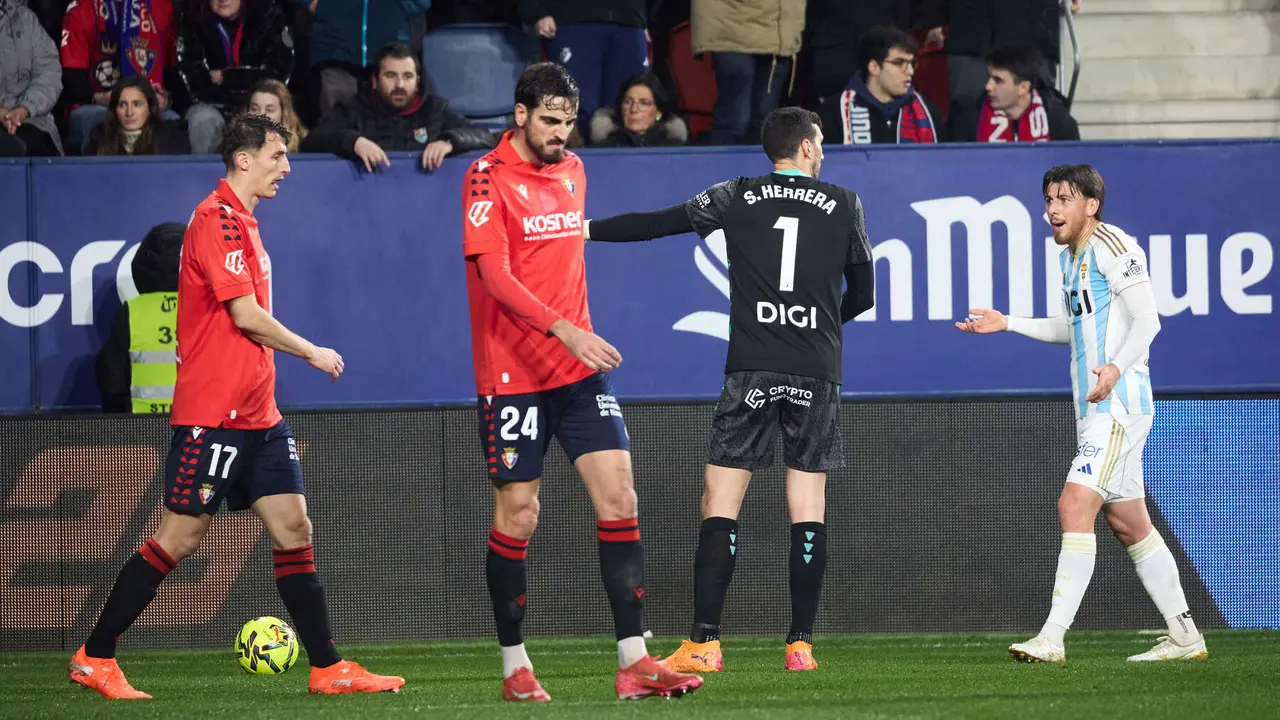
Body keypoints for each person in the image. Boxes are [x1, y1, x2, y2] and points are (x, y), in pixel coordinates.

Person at [68, 113, 406, 700]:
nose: (286, 167)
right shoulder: (215, 220)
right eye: (278, 156)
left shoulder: (244, 222)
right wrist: (313, 352)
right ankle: (95, 656)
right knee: (179, 539)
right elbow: (245, 317)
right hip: (214, 413)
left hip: (259, 415)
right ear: (244, 158)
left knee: (295, 527)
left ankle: (327, 667)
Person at [584, 107, 875, 671]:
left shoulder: (736, 194)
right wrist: (819, 329)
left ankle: (706, 643)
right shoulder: (844, 202)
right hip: (816, 368)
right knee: (808, 505)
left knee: (720, 502)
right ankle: (800, 645)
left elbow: (657, 223)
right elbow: (863, 292)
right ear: (809, 149)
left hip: (751, 367)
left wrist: (586, 230)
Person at [460, 62, 703, 702]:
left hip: (576, 373)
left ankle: (634, 662)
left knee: (620, 497)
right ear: (519, 115)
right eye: (548, 121)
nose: (560, 134)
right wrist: (565, 329)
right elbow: (495, 276)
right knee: (519, 513)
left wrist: (575, 340)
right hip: (513, 374)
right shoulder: (484, 178)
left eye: (568, 122)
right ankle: (515, 666)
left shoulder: (573, 171)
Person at [958, 164, 1208, 664]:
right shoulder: (1070, 260)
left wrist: (1115, 367)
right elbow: (1070, 330)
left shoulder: (1112, 246)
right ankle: (1186, 636)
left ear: (1090, 205)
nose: (1052, 209)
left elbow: (1149, 320)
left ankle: (1051, 638)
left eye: (1064, 199)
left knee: (1074, 505)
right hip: (1096, 407)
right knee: (1129, 522)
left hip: (1118, 405)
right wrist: (1008, 323)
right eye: (1048, 198)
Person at [303, 41, 495, 172]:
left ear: (418, 80)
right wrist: (353, 142)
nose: (400, 85)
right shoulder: (353, 108)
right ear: (375, 81)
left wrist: (449, 142)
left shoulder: (435, 109)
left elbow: (486, 138)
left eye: (408, 76)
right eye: (391, 76)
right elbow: (311, 143)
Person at [177, 0, 295, 154]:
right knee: (201, 117)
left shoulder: (268, 15)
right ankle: (208, 174)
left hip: (258, 102)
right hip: (214, 105)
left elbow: (277, 74)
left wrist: (225, 77)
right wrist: (246, 82)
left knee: (266, 108)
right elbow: (195, 83)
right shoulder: (193, 20)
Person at [96, 222, 186, 414]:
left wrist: (120, 426)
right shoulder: (210, 310)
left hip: (143, 431)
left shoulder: (131, 312)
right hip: (201, 430)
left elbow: (112, 379)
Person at [819, 26, 946, 146]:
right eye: (899, 63)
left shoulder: (928, 112)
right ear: (874, 67)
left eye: (912, 63)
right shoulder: (835, 113)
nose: (910, 71)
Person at [948, 44, 1079, 143]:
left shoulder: (1057, 120)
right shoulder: (968, 118)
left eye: (998, 80)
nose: (988, 86)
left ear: (1023, 88)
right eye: (989, 78)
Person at [0, 0, 64, 156]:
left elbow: (49, 73)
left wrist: (25, 108)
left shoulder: (26, 19)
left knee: (36, 144)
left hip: (30, 117)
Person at [86, 77, 191, 155]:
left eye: (137, 104)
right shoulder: (99, 139)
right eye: (122, 105)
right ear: (114, 109)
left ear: (150, 108)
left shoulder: (173, 138)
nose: (129, 113)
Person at [588, 72, 688, 148]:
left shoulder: (674, 149)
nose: (634, 109)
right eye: (628, 101)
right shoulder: (604, 149)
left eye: (644, 102)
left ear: (658, 112)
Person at [246, 78, 307, 153]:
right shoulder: (235, 146)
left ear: (284, 114)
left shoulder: (305, 146)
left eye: (269, 110)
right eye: (254, 109)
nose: (260, 115)